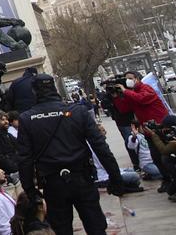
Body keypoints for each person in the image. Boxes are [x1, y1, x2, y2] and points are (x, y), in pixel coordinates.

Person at [16, 74, 127, 235]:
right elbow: (101, 147)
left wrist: (30, 190)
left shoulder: (27, 119)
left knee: (61, 229)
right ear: (54, 88)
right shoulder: (78, 111)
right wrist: (115, 177)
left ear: (34, 92)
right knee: (95, 226)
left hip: (53, 183)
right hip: (81, 178)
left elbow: (24, 159)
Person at [99, 87, 139, 168]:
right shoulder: (108, 96)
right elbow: (104, 105)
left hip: (134, 118)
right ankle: (136, 163)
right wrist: (111, 96)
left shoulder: (125, 91)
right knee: (129, 140)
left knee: (140, 139)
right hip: (122, 122)